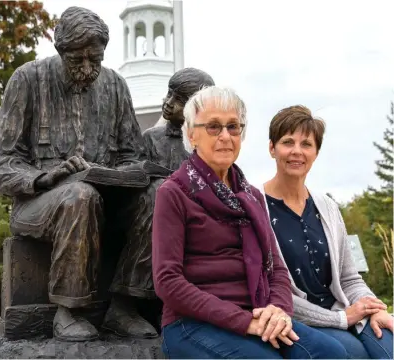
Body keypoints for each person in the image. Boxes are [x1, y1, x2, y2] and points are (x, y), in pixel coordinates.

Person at [0, 6, 161, 341]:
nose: (88, 69)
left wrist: (120, 175)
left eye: (95, 59)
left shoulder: (115, 86)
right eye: (78, 60)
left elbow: (131, 155)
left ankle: (124, 307)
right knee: (79, 194)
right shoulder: (28, 80)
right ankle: (70, 310)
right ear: (60, 50)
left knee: (157, 194)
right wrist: (45, 177)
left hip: (104, 201)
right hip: (37, 205)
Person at [152, 86, 349, 359]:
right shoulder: (173, 193)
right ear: (191, 134)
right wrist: (244, 322)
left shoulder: (251, 195)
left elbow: (277, 270)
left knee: (331, 353)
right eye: (213, 127)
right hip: (192, 324)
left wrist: (278, 311)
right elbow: (168, 282)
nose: (225, 136)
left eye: (233, 127)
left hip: (257, 313)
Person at [259, 105, 393, 359]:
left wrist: (374, 308)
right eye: (288, 142)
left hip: (343, 311)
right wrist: (341, 319)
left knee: (389, 348)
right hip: (298, 320)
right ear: (272, 148)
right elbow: (270, 291)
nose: (297, 151)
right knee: (351, 354)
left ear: (316, 152)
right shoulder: (257, 206)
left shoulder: (328, 207)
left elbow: (349, 279)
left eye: (306, 144)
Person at [143, 67, 215, 170]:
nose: (168, 103)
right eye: (169, 94)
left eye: (179, 100)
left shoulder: (207, 144)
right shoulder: (150, 138)